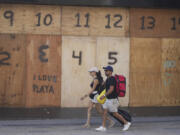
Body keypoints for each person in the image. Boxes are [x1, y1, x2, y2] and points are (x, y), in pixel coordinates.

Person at [95, 66, 131, 132]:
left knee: (115, 113)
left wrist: (104, 95)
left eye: (107, 70)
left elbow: (111, 89)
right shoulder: (108, 79)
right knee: (105, 112)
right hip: (108, 99)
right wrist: (99, 77)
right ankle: (103, 127)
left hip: (113, 100)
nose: (105, 71)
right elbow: (103, 84)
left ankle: (126, 123)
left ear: (111, 72)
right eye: (105, 70)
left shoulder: (112, 79)